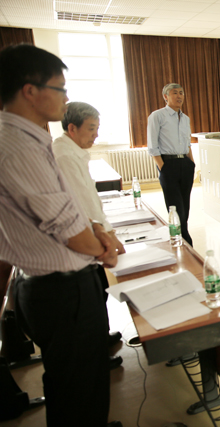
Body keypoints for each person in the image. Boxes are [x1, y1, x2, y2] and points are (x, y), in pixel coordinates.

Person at [0, 44, 121, 426]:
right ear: (30, 91)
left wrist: (95, 231)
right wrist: (103, 249)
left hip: (50, 287)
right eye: (60, 88)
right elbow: (68, 228)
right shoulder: (20, 148)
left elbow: (68, 208)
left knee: (73, 383)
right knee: (80, 389)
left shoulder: (25, 138)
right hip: (62, 290)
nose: (66, 99)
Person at [52, 101, 126, 370]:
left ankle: (101, 337)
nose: (96, 135)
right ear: (72, 128)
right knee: (92, 298)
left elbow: (90, 197)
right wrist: (108, 235)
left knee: (98, 291)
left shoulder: (73, 151)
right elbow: (83, 202)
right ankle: (96, 351)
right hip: (80, 241)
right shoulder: (64, 156)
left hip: (91, 231)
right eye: (91, 129)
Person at [147, 83, 195, 246]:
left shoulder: (185, 118)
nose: (179, 96)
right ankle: (184, 240)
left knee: (185, 206)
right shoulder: (157, 116)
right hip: (168, 164)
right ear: (166, 97)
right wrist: (163, 167)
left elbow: (187, 143)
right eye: (175, 93)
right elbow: (152, 145)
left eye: (181, 93)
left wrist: (192, 163)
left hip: (185, 164)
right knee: (175, 207)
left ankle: (182, 237)